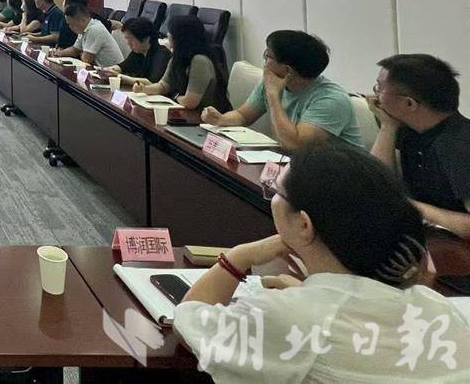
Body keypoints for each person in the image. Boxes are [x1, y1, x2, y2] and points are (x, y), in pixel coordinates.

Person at [173, 142, 470, 382]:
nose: (272, 197)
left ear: (305, 224)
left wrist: (240, 256)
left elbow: (189, 321)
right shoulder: (437, 306)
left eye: (276, 191)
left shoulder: (291, 318)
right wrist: (308, 296)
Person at [201, 30, 362, 150]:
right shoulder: (272, 81)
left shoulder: (331, 100)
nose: (264, 61)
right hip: (302, 168)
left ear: (287, 70)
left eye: (268, 57)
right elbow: (243, 115)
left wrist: (273, 96)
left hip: (343, 176)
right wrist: (221, 119)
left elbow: (295, 145)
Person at [367, 54, 470, 240]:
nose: (374, 97)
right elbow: (375, 184)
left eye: (379, 89)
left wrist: (408, 206)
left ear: (409, 103)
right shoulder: (412, 130)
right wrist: (388, 126)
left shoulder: (460, 146)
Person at [129, 15, 229, 111]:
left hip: (202, 117)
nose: (168, 35)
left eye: (171, 32)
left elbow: (190, 102)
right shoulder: (177, 58)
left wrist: (173, 96)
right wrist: (143, 89)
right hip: (184, 112)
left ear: (181, 37)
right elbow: (163, 86)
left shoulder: (200, 61)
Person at [51, 2, 124, 67]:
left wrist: (82, 53)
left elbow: (86, 60)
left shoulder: (94, 29)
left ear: (82, 20)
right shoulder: (84, 29)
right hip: (100, 70)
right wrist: (59, 53)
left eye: (71, 24)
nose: (70, 27)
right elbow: (74, 50)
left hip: (112, 73)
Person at [103, 16, 170, 83]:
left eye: (131, 39)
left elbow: (151, 82)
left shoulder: (162, 55)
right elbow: (123, 67)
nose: (128, 43)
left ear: (146, 39)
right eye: (126, 38)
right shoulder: (137, 52)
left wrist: (119, 76)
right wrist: (109, 70)